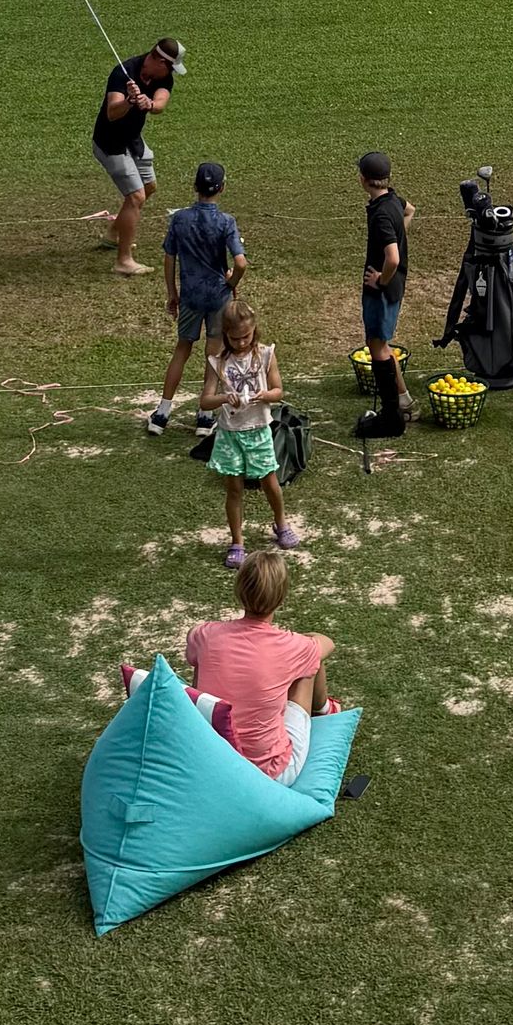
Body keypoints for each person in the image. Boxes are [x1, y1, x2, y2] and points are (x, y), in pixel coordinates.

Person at [185, 549, 339, 784]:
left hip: (215, 761)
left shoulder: (204, 635)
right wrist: (304, 640)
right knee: (310, 659)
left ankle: (325, 708)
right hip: (270, 773)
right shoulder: (293, 646)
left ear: (239, 591)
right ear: (282, 598)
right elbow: (327, 644)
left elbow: (194, 660)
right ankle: (326, 710)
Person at [146, 161, 247, 434]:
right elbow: (240, 263)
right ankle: (204, 415)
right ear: (222, 188)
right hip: (217, 296)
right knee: (213, 355)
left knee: (183, 348)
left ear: (195, 187)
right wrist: (231, 284)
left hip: (190, 294)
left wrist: (172, 292)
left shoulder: (180, 219)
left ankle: (162, 413)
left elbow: (170, 256)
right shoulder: (226, 222)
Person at [198, 299, 300, 564]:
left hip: (258, 430)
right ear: (225, 335)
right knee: (234, 489)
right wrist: (223, 398)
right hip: (230, 433)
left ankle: (281, 523)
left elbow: (279, 391)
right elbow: (205, 401)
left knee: (270, 482)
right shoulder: (217, 362)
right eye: (235, 338)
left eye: (246, 336)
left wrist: (267, 394)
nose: (242, 342)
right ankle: (237, 541)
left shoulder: (265, 354)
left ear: (255, 330)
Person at [91, 37, 181, 278]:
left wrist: (149, 103)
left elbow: (161, 103)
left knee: (149, 187)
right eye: (170, 67)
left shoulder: (163, 77)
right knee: (135, 196)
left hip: (133, 141)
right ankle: (123, 260)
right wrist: (131, 101)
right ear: (159, 61)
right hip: (111, 144)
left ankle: (113, 233)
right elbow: (112, 112)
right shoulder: (123, 73)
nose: (171, 73)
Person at [356, 149, 415, 440]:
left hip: (382, 290)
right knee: (381, 343)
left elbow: (391, 258)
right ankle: (402, 400)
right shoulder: (393, 200)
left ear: (363, 179)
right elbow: (410, 210)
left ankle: (392, 418)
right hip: (395, 286)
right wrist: (400, 237)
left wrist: (381, 279)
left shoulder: (380, 214)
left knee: (378, 348)